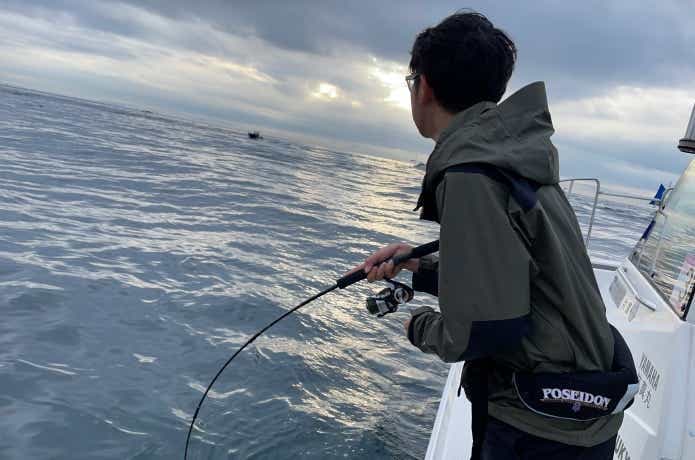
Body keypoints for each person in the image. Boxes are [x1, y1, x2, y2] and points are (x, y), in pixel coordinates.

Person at [348, 11, 637, 460]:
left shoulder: (470, 173)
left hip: (538, 425)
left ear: (424, 87)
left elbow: (483, 328)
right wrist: (417, 267)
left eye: (411, 82)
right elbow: (510, 276)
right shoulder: (513, 155)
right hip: (580, 407)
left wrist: (418, 326)